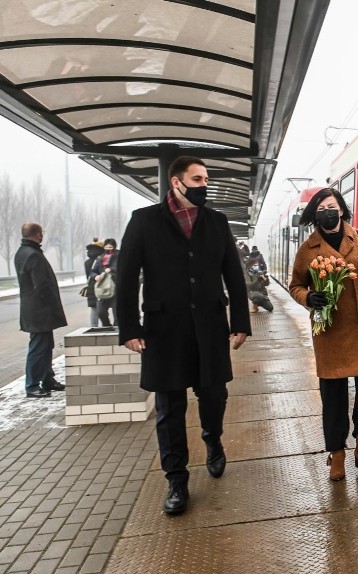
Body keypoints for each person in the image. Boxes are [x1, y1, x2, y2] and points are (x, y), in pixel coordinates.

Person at [116, 156, 251, 516]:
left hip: (209, 327)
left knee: (214, 395)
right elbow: (126, 277)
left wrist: (241, 321)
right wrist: (128, 328)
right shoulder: (144, 221)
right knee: (169, 410)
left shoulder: (218, 222)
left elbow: (233, 276)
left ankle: (213, 438)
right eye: (197, 178)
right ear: (176, 183)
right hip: (164, 331)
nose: (204, 184)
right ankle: (176, 480)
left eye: (206, 178)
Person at [288, 188, 358, 482]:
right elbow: (296, 285)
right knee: (334, 397)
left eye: (333, 206)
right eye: (322, 207)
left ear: (341, 210)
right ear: (315, 214)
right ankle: (336, 454)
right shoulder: (308, 249)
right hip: (329, 333)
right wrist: (309, 298)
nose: (328, 211)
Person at [14, 223, 67, 398]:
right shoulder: (33, 255)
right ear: (38, 235)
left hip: (33, 311)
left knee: (46, 346)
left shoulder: (22, 252)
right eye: (41, 233)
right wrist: (52, 308)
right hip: (40, 312)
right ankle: (32, 385)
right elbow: (42, 286)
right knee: (38, 348)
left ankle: (47, 379)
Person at [91, 238, 120, 327]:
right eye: (106, 247)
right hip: (103, 289)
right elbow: (92, 271)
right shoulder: (100, 259)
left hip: (115, 288)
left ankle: (117, 329)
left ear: (114, 247)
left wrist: (111, 269)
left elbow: (123, 269)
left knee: (117, 313)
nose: (108, 249)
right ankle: (107, 326)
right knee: (101, 312)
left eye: (110, 247)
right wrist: (95, 276)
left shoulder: (119, 257)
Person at [84, 240, 104, 327]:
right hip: (102, 286)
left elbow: (88, 275)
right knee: (103, 308)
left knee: (94, 309)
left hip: (91, 287)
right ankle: (106, 326)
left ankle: (93, 327)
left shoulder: (87, 262)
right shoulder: (101, 260)